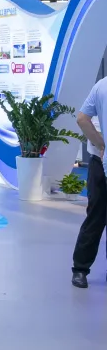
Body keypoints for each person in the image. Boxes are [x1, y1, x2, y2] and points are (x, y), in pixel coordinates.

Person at [71, 77, 107, 289]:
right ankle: (80, 268)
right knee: (95, 217)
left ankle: (80, 270)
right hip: (100, 160)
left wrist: (100, 143)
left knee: (95, 216)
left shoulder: (101, 85)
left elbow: (82, 119)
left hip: (99, 160)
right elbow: (82, 119)